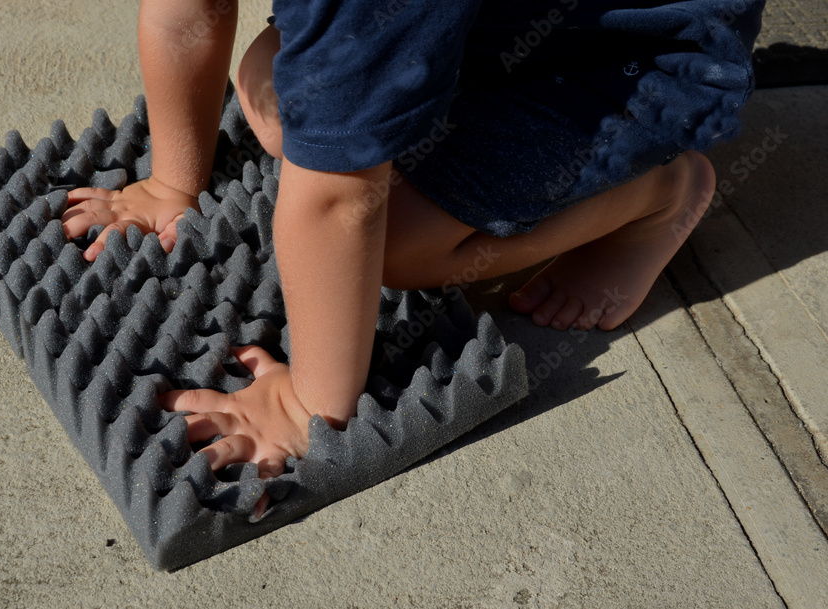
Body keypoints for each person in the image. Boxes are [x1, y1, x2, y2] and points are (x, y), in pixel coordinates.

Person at [60, 0, 764, 513]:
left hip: (631, 62)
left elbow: (341, 201)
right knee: (272, 88)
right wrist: (172, 180)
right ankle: (391, 75)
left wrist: (311, 402)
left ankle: (659, 192)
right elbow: (188, 11)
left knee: (393, 239)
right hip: (489, 26)